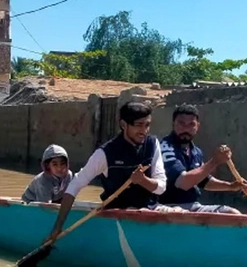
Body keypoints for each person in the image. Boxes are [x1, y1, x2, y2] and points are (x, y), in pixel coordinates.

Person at [43, 101, 170, 242]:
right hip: (120, 212)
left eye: (147, 125)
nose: (144, 131)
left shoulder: (153, 144)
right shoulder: (105, 153)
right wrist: (57, 227)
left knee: (179, 211)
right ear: (123, 125)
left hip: (151, 207)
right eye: (138, 125)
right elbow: (74, 186)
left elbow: (161, 188)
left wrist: (143, 181)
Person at [159, 103, 247, 214]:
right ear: (173, 124)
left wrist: (231, 186)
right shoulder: (165, 148)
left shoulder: (196, 151)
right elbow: (183, 183)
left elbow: (203, 180)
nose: (186, 129)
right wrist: (214, 161)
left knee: (232, 214)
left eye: (191, 124)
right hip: (170, 207)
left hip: (193, 206)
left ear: (197, 126)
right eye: (181, 124)